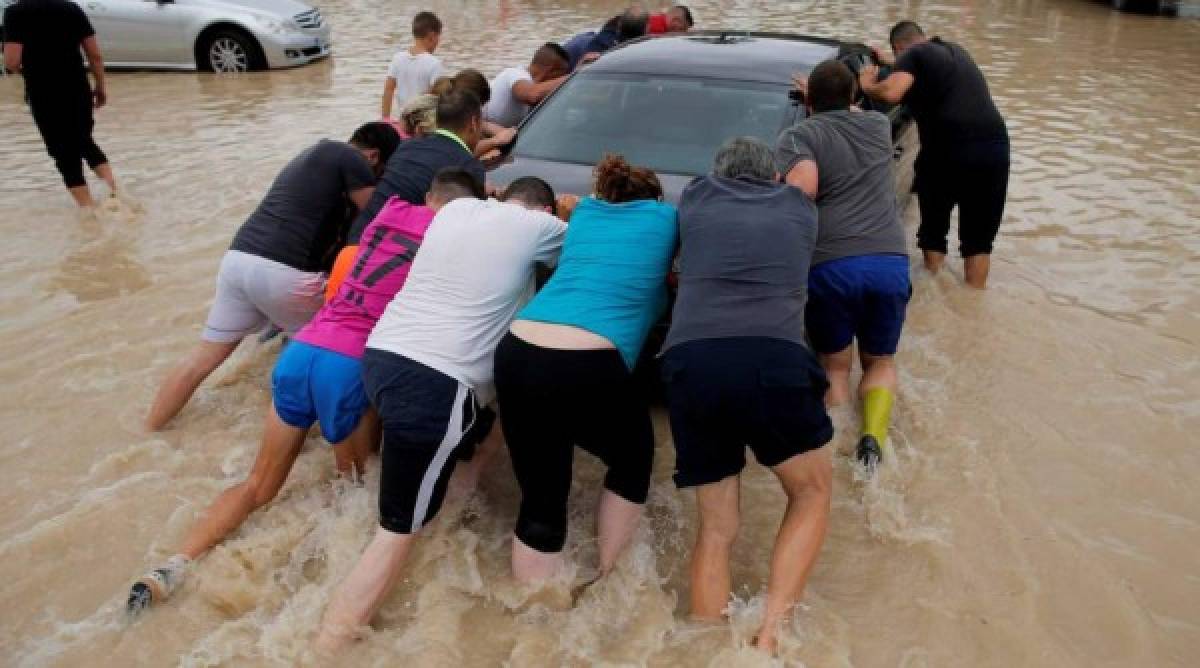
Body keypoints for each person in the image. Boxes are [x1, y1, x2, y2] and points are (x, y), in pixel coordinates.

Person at [125, 169, 484, 616]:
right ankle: (305, 597)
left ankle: (171, 568)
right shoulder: (450, 239)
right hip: (352, 364)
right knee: (353, 491)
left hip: (304, 349)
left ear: (429, 194)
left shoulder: (390, 210)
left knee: (258, 484)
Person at [313, 177, 571, 652]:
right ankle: (326, 647)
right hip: (436, 383)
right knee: (397, 529)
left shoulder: (456, 212)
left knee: (480, 426)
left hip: (382, 357)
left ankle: (449, 507)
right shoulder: (540, 226)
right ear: (545, 207)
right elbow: (583, 243)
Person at [660, 137, 833, 654]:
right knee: (811, 492)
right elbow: (806, 169)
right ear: (774, 180)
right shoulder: (801, 209)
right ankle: (770, 638)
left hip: (691, 364)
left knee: (716, 527)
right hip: (771, 362)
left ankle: (707, 647)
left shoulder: (696, 198)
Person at [144, 122, 401, 431]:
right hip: (286, 273)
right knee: (318, 354)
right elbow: (377, 223)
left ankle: (151, 428)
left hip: (238, 260)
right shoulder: (353, 159)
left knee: (204, 356)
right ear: (373, 157)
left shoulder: (314, 154)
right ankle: (290, 439)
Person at [494, 155, 677, 583]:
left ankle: (534, 614)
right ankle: (605, 576)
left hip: (518, 348)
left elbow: (576, 208)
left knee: (541, 501)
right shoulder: (668, 219)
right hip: (588, 359)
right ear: (653, 198)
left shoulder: (584, 215)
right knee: (633, 458)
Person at [776, 60, 910, 472]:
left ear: (810, 101)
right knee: (881, 362)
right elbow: (850, 111)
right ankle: (872, 440)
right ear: (853, 97)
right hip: (890, 262)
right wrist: (827, 97)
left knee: (835, 367)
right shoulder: (876, 126)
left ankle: (832, 452)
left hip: (831, 264)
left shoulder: (798, 134)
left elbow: (802, 192)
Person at [858, 21, 1010, 288]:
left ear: (898, 49)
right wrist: (892, 64)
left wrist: (867, 84)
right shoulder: (955, 51)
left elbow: (892, 92)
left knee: (933, 233)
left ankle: (933, 290)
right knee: (978, 243)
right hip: (994, 150)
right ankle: (972, 304)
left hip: (948, 152)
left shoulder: (913, 56)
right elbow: (921, 74)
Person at [2, 0, 117, 208]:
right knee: (84, 141)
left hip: (44, 92)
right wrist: (100, 87)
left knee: (63, 152)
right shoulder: (70, 8)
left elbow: (11, 62)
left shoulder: (15, 12)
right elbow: (95, 56)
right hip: (77, 87)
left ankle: (89, 212)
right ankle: (114, 195)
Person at [483, 43, 571, 129]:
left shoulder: (531, 84)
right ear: (550, 70)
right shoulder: (515, 74)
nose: (559, 80)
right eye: (561, 75)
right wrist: (573, 77)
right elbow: (533, 95)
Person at [381, 11, 444, 120]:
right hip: (424, 124)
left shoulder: (397, 58)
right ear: (432, 36)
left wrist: (385, 119)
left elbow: (388, 90)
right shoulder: (434, 63)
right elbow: (437, 96)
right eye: (439, 37)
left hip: (402, 120)